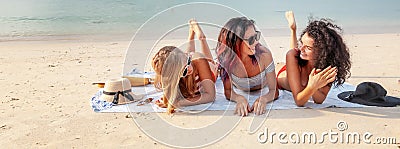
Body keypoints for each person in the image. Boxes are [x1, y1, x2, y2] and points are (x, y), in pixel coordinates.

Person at [276, 11, 351, 106]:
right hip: (278, 73)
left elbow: (319, 100)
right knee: (293, 53)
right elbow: (299, 101)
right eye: (302, 43)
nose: (301, 48)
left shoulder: (329, 66)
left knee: (295, 54)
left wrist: (315, 86)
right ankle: (293, 30)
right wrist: (312, 86)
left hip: (298, 65)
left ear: (322, 52)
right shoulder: (294, 54)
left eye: (308, 47)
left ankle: (293, 29)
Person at [151, 19, 217, 114]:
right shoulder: (169, 76)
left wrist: (179, 103)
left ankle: (202, 39)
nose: (189, 69)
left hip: (206, 68)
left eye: (187, 59)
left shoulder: (196, 61)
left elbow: (211, 96)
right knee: (186, 62)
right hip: (185, 63)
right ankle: (191, 34)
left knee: (210, 62)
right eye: (184, 71)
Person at [216, 17, 276, 116]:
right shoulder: (226, 60)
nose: (256, 42)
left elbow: (274, 90)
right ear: (235, 43)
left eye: (256, 36)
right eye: (251, 39)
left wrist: (264, 99)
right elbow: (228, 91)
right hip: (240, 87)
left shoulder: (264, 55)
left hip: (262, 85)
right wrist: (239, 98)